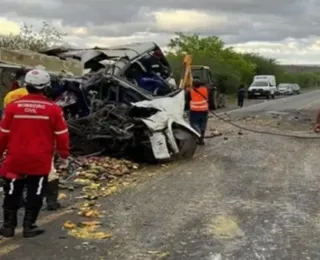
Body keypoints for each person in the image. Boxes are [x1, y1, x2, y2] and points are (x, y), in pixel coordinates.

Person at [0, 68, 70, 238]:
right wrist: (64, 155)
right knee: (35, 191)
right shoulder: (53, 109)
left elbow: (3, 133)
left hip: (15, 158)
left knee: (11, 191)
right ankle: (29, 227)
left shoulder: (13, 107)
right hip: (39, 160)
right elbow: (62, 135)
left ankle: (8, 227)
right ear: (46, 87)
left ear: (26, 85)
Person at [186, 79, 210, 145]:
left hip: (194, 111)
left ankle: (199, 136)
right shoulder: (205, 89)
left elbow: (187, 101)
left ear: (193, 85)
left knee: (194, 124)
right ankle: (201, 140)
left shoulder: (190, 91)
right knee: (202, 125)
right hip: (204, 110)